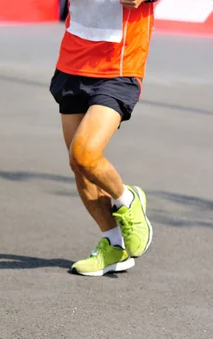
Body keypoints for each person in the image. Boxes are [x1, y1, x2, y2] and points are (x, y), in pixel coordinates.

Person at [49, 0, 157, 277]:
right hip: (72, 64)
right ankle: (113, 244)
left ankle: (127, 198)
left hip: (118, 69)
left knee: (84, 153)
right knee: (80, 168)